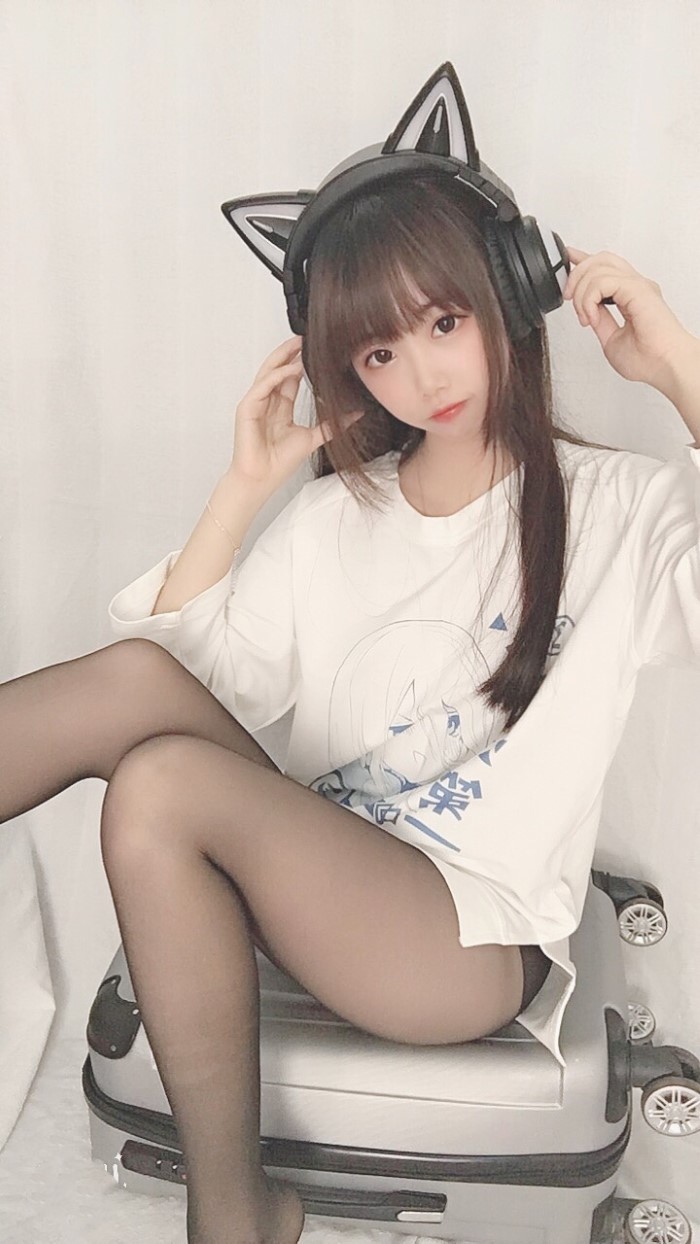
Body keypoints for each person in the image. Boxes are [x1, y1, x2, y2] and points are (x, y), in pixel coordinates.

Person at [2, 72, 700, 1244]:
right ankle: (241, 1220)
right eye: (378, 351)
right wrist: (242, 491)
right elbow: (183, 687)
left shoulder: (617, 510)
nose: (423, 375)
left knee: (162, 780)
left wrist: (676, 362)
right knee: (142, 717)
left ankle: (235, 1220)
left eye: (444, 322)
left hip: (464, 947)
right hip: (322, 887)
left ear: (510, 290)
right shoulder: (337, 517)